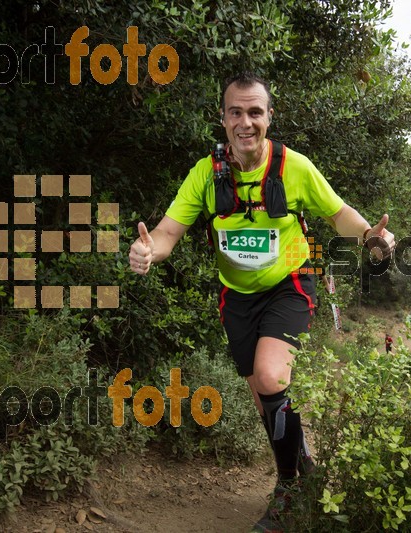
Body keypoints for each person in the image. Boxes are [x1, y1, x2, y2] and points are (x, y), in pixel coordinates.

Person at [129, 72, 396, 532]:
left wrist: (370, 233)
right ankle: (302, 463)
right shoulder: (205, 174)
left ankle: (288, 488)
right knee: (262, 392)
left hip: (290, 283)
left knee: (272, 376)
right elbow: (169, 232)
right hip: (237, 296)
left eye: (255, 112)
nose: (245, 122)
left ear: (270, 118)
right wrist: (148, 249)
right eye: (236, 112)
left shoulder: (294, 167)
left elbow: (338, 214)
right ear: (223, 118)